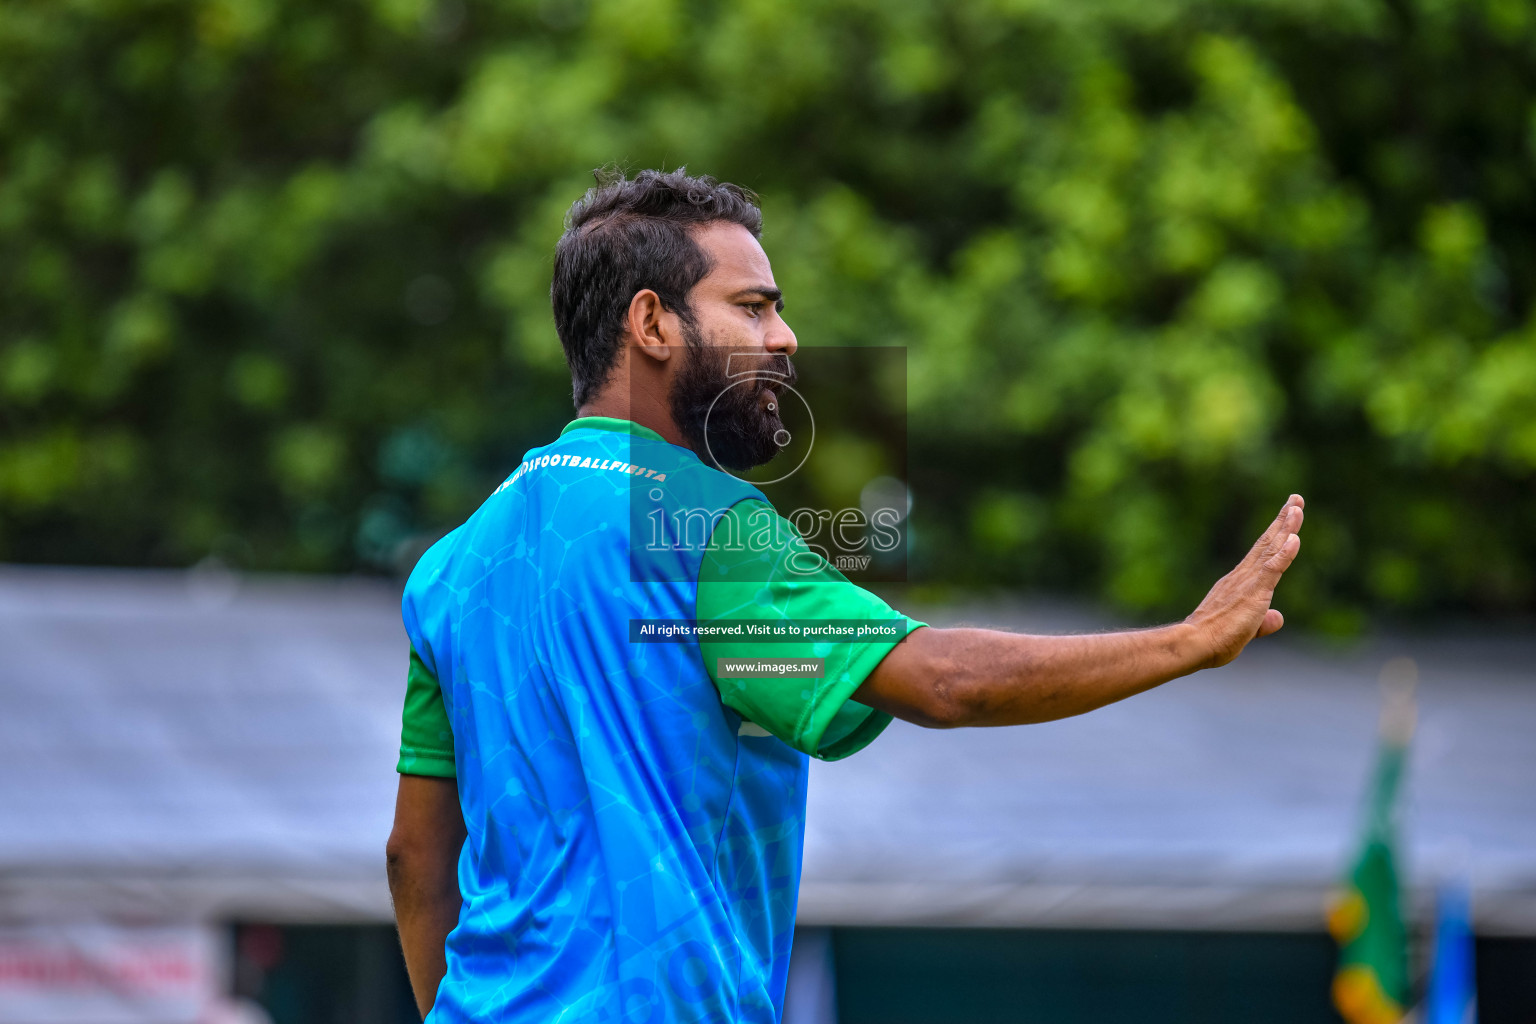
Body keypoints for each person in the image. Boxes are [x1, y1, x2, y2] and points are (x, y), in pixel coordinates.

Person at [384, 168, 1305, 1022]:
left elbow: (415, 856)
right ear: (653, 323)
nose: (785, 338)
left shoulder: (454, 564)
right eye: (752, 307)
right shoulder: (700, 523)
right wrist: (1190, 640)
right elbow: (944, 683)